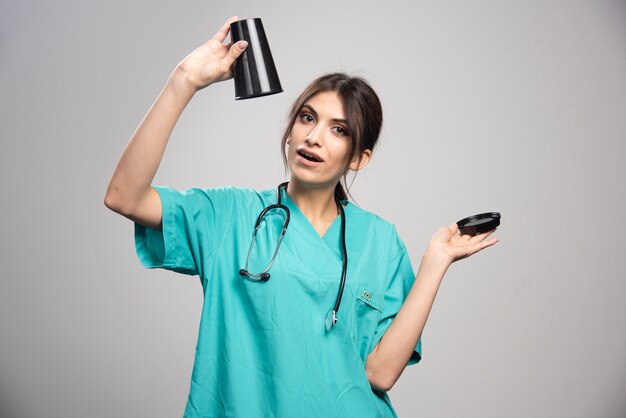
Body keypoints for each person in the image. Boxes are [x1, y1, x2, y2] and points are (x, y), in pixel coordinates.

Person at [104, 16, 498, 418]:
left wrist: (435, 261)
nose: (314, 137)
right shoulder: (230, 216)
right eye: (307, 118)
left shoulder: (379, 241)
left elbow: (380, 374)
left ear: (359, 157)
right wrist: (184, 80)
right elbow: (125, 196)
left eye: (339, 130)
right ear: (291, 130)